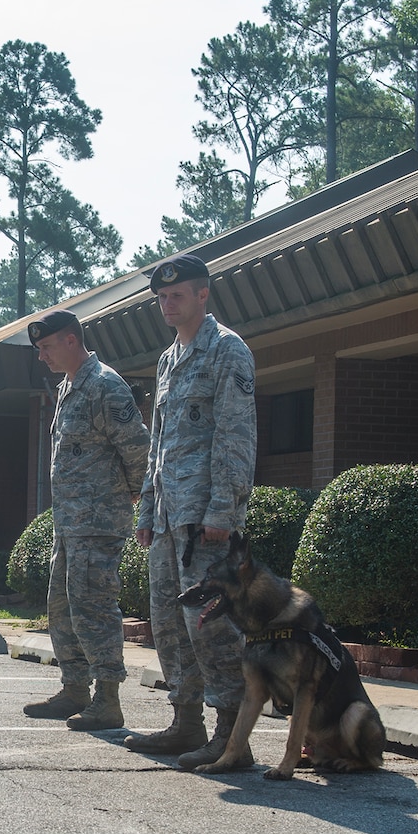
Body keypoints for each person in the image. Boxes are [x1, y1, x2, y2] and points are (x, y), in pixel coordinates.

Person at [124, 254, 257, 768]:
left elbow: (236, 436)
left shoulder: (227, 351)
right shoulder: (167, 359)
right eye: (161, 297)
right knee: (170, 623)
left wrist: (224, 510)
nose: (167, 303)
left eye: (176, 295)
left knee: (211, 627)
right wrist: (146, 511)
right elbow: (157, 445)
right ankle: (185, 722)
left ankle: (231, 735)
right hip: (166, 521)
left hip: (207, 521)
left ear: (204, 294)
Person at [20, 310, 149, 730]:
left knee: (94, 608)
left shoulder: (105, 386)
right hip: (69, 524)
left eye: (46, 347)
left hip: (98, 523)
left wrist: (132, 496)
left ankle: (107, 699)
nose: (41, 356)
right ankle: (74, 689)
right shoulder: (68, 387)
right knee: (62, 608)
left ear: (72, 340)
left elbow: (137, 451)